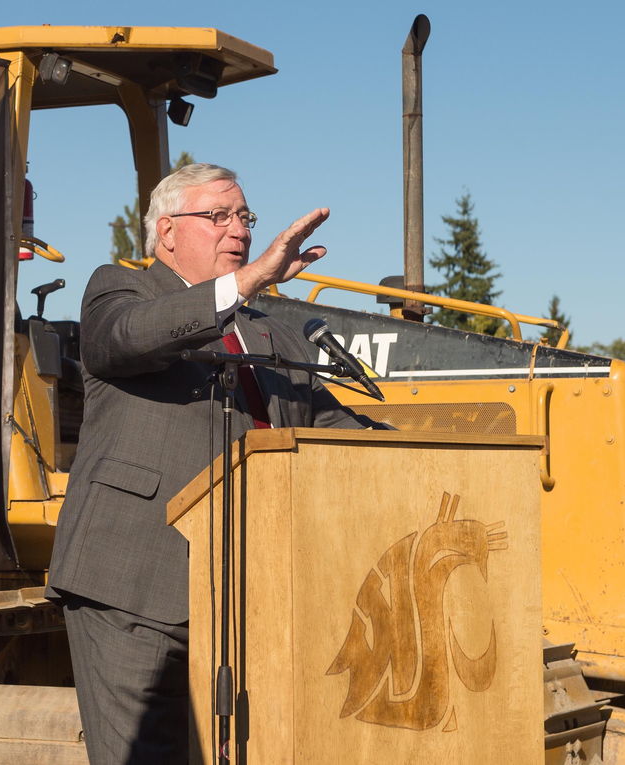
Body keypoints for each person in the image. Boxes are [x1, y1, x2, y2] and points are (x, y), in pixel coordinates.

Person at [47, 163, 379, 764]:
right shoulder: (121, 290)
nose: (240, 231)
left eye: (245, 217)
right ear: (167, 231)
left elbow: (341, 434)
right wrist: (245, 284)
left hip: (250, 591)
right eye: (218, 216)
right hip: (135, 584)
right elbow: (123, 339)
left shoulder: (277, 335)